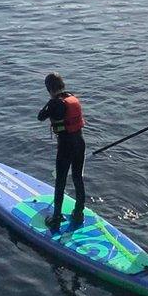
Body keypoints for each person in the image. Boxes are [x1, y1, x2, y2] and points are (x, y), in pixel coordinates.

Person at [37, 73, 86, 231]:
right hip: (80, 142)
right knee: (78, 177)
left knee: (61, 181)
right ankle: (78, 213)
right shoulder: (72, 98)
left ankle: (56, 218)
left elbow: (40, 117)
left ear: (49, 89)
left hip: (66, 145)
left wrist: (49, 102)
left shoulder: (55, 103)